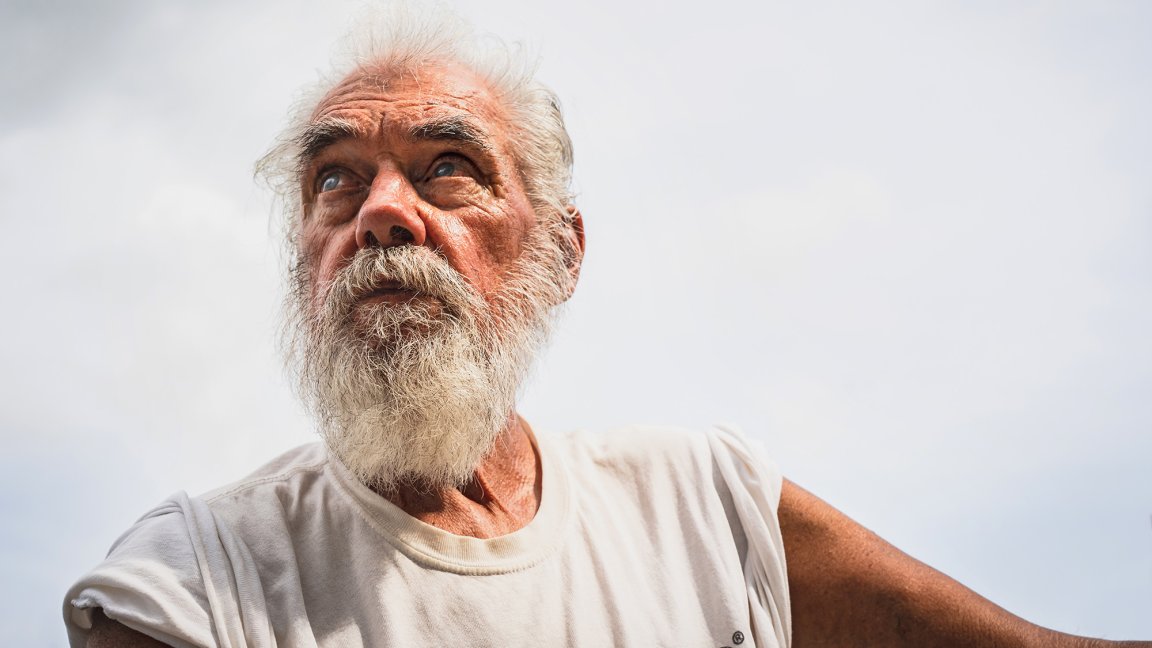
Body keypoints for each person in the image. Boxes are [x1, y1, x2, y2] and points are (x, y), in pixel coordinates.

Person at [64, 9, 1149, 648]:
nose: (383, 210)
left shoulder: (706, 502)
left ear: (562, 252)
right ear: (305, 255)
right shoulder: (197, 581)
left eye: (448, 168)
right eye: (335, 180)